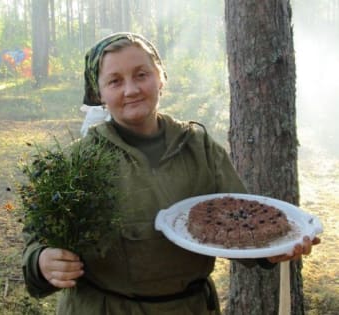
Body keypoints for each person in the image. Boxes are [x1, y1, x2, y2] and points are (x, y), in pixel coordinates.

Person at [22, 32, 320, 315]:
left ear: (161, 78)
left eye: (142, 74)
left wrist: (270, 252)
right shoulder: (77, 162)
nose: (131, 89)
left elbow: (241, 221)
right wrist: (42, 262)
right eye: (115, 81)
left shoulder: (199, 147)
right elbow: (38, 242)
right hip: (105, 308)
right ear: (98, 93)